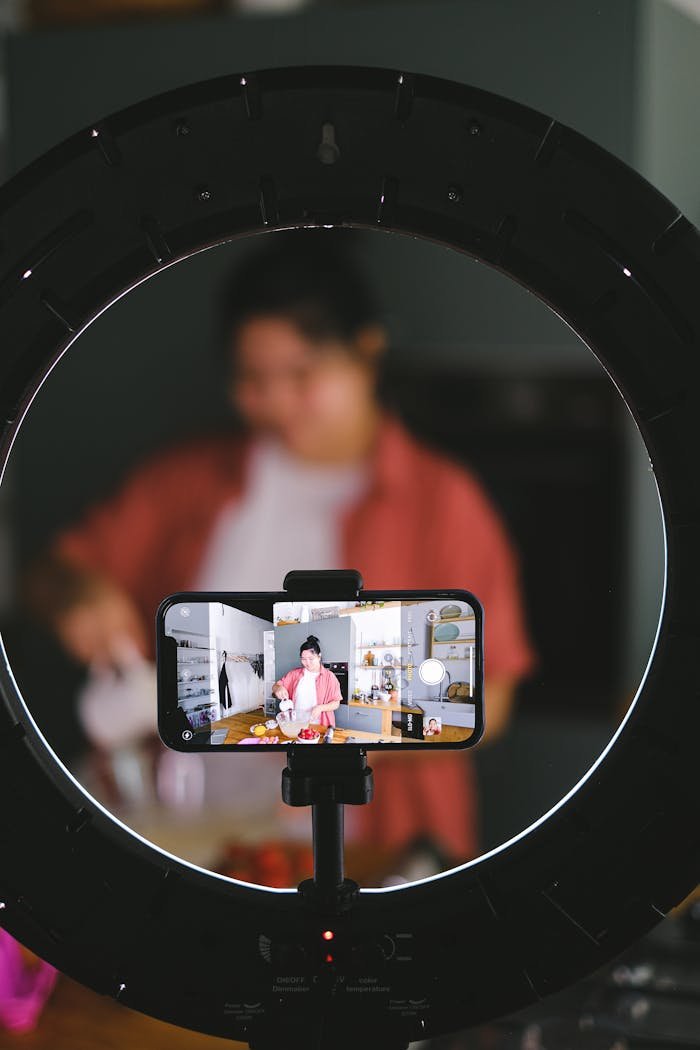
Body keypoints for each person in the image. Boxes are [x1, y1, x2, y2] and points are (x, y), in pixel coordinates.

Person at [25, 230, 534, 864]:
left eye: (302, 374)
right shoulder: (188, 480)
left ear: (366, 352)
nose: (276, 403)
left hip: (368, 845)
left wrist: (337, 723)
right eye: (253, 379)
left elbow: (491, 691)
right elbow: (52, 572)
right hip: (188, 836)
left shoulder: (441, 500)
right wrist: (78, 594)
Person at [272, 635, 342, 727]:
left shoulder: (329, 677)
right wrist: (278, 688)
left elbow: (336, 703)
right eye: (303, 659)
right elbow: (276, 686)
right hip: (296, 723)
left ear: (319, 656)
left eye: (311, 659)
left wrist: (320, 708)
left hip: (319, 724)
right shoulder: (294, 674)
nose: (307, 663)